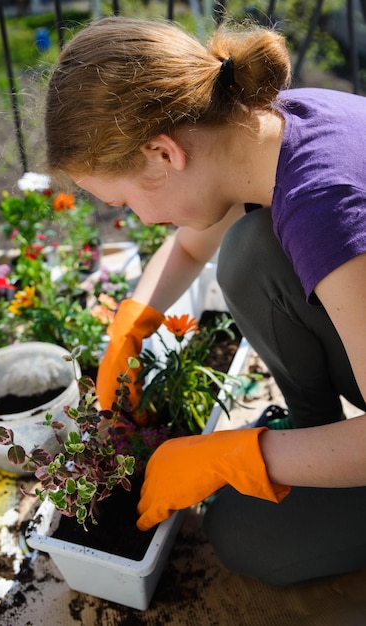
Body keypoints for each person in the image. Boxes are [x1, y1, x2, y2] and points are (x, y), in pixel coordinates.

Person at [44, 16, 366, 586]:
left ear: (163, 154)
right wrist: (131, 327)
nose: (135, 220)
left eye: (122, 201)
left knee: (242, 534)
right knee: (248, 250)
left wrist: (226, 456)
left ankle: (317, 457)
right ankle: (313, 436)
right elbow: (191, 248)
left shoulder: (327, 211)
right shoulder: (269, 126)